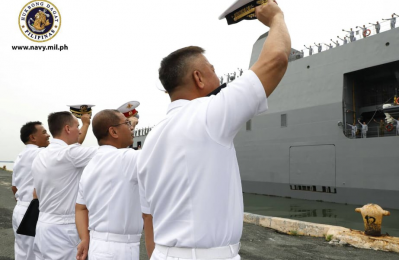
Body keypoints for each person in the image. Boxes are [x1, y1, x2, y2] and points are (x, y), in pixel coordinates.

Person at [137, 2, 290, 260]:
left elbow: (147, 217)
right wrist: (276, 18)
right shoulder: (209, 114)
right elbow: (277, 59)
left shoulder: (150, 140)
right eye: (212, 70)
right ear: (198, 78)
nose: (217, 75)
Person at [75, 110, 153, 260]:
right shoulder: (127, 158)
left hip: (97, 245)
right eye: (127, 123)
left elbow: (80, 208)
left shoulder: (91, 164)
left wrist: (84, 238)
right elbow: (159, 154)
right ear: (113, 131)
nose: (131, 128)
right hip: (119, 250)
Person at [32, 112, 96, 260]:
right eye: (77, 126)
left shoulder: (40, 155)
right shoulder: (68, 154)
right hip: (64, 230)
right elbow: (109, 153)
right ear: (67, 129)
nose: (80, 131)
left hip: (42, 226)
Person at [12, 121, 50, 260]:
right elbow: (66, 150)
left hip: (20, 208)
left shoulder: (20, 156)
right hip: (31, 209)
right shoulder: (39, 153)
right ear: (33, 137)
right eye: (44, 132)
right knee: (33, 254)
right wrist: (85, 124)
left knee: (22, 252)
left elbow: (14, 187)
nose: (48, 135)